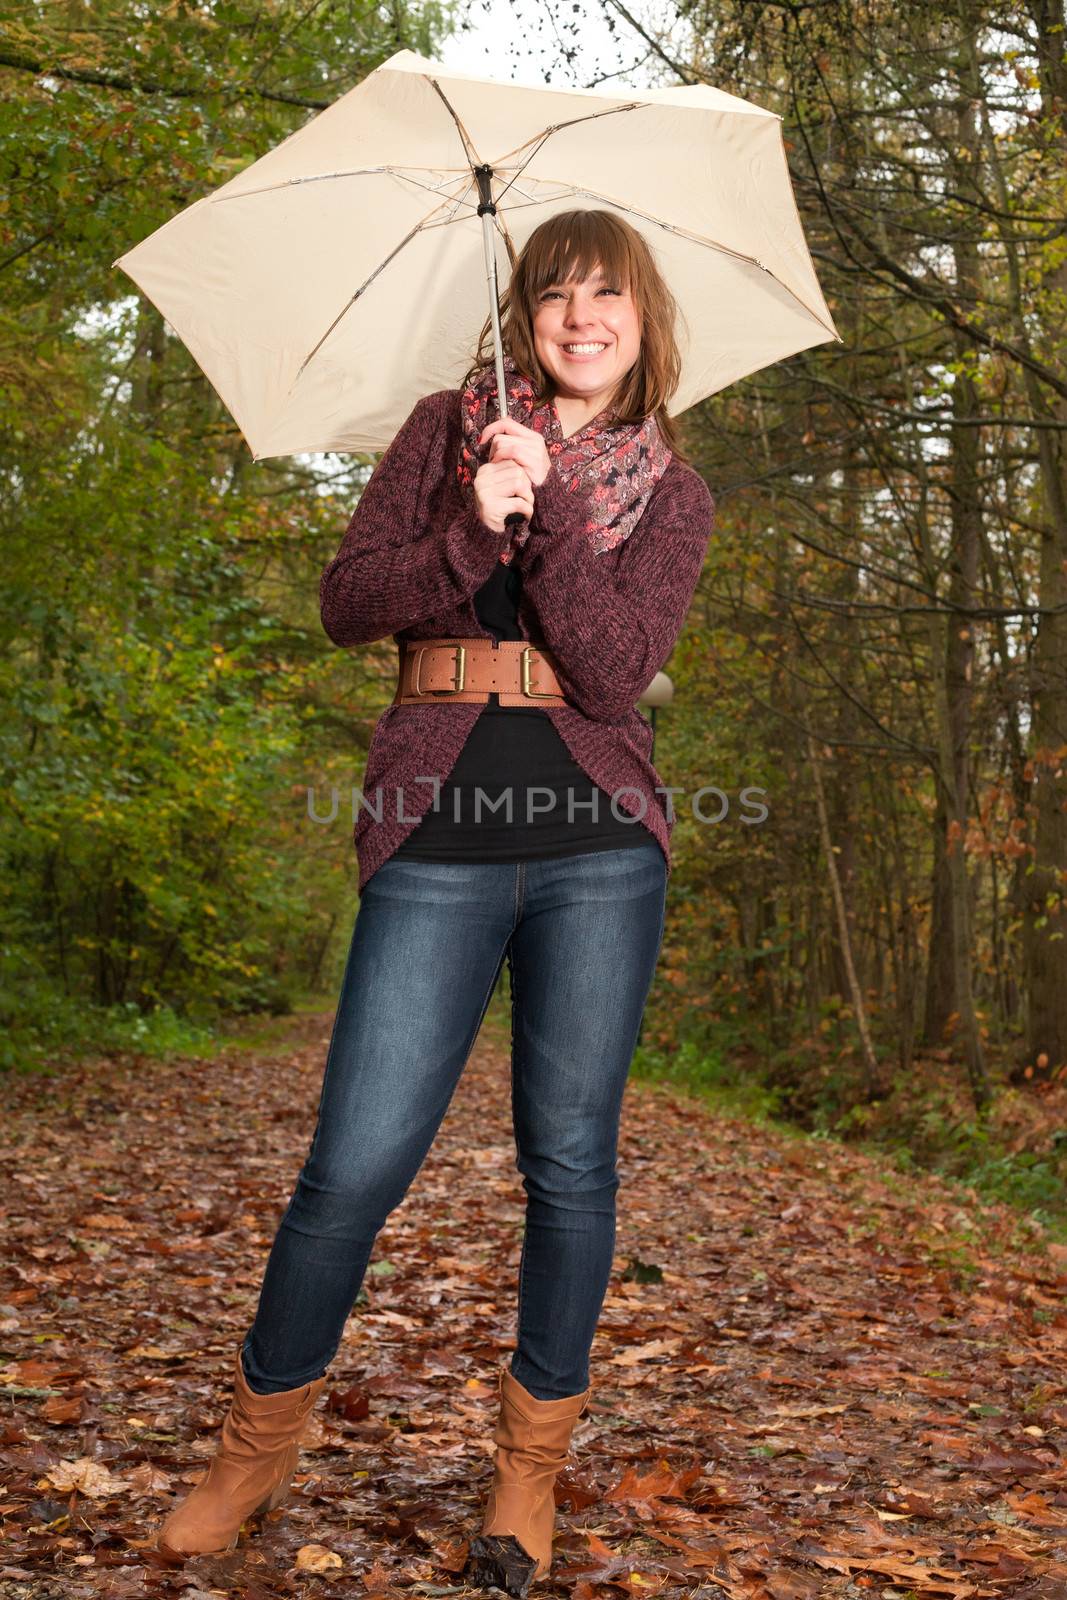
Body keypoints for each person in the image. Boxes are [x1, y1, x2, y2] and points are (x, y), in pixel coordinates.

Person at [155, 208, 716, 1592]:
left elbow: (611, 669)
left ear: (645, 324)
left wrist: (555, 525)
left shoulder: (675, 492)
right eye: (554, 297)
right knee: (353, 1163)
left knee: (571, 1166)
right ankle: (254, 1442)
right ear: (520, 318)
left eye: (610, 298)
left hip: (600, 843)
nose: (581, 318)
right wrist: (473, 522)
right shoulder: (438, 432)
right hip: (435, 832)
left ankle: (526, 1475)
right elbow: (348, 604)